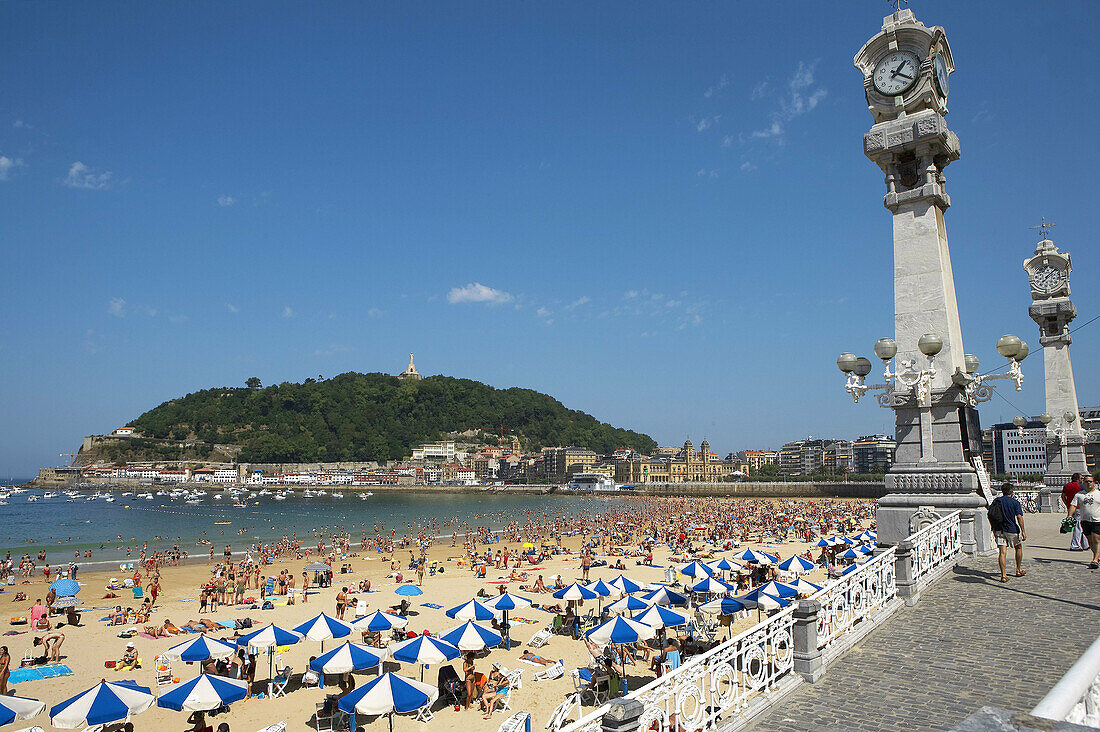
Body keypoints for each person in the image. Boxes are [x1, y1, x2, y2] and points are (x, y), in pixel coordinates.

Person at [990, 482, 1026, 582]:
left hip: (999, 529)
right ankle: (1018, 569)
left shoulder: (997, 501)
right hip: (1011, 529)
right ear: (1012, 492)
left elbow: (992, 514)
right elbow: (1019, 517)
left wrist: (993, 528)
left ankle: (1003, 575)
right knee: (1018, 547)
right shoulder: (1014, 502)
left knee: (1002, 552)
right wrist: (1023, 531)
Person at [1068, 474, 1100, 569]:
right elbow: (1073, 505)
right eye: (1086, 481)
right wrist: (1069, 515)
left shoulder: (1098, 494)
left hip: (1097, 520)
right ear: (1083, 482)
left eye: (1090, 481)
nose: (1088, 483)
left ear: (1094, 483)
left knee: (1096, 539)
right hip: (1085, 520)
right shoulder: (1079, 495)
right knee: (1090, 541)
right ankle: (1097, 556)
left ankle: (1095, 559)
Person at [1063, 473, 1086, 551]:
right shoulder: (1080, 486)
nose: (1082, 480)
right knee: (1078, 526)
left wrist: (1067, 504)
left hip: (1071, 507)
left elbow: (1063, 496)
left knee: (1080, 526)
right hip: (1079, 507)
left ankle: (1085, 544)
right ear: (1078, 479)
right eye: (1081, 478)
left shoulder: (1067, 486)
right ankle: (1075, 545)